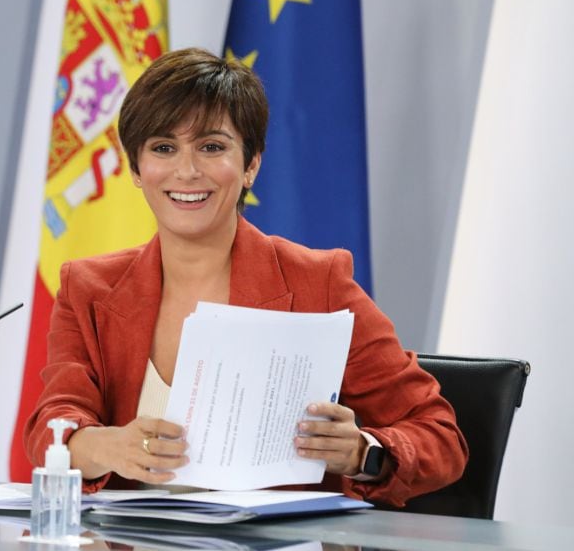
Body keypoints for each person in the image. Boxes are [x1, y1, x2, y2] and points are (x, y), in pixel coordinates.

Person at [23, 48, 467, 507]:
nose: (187, 170)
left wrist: (361, 452)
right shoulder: (88, 288)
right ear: (136, 169)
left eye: (212, 147)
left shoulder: (319, 283)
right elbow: (52, 422)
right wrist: (101, 447)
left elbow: (439, 436)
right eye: (163, 148)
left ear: (251, 164)